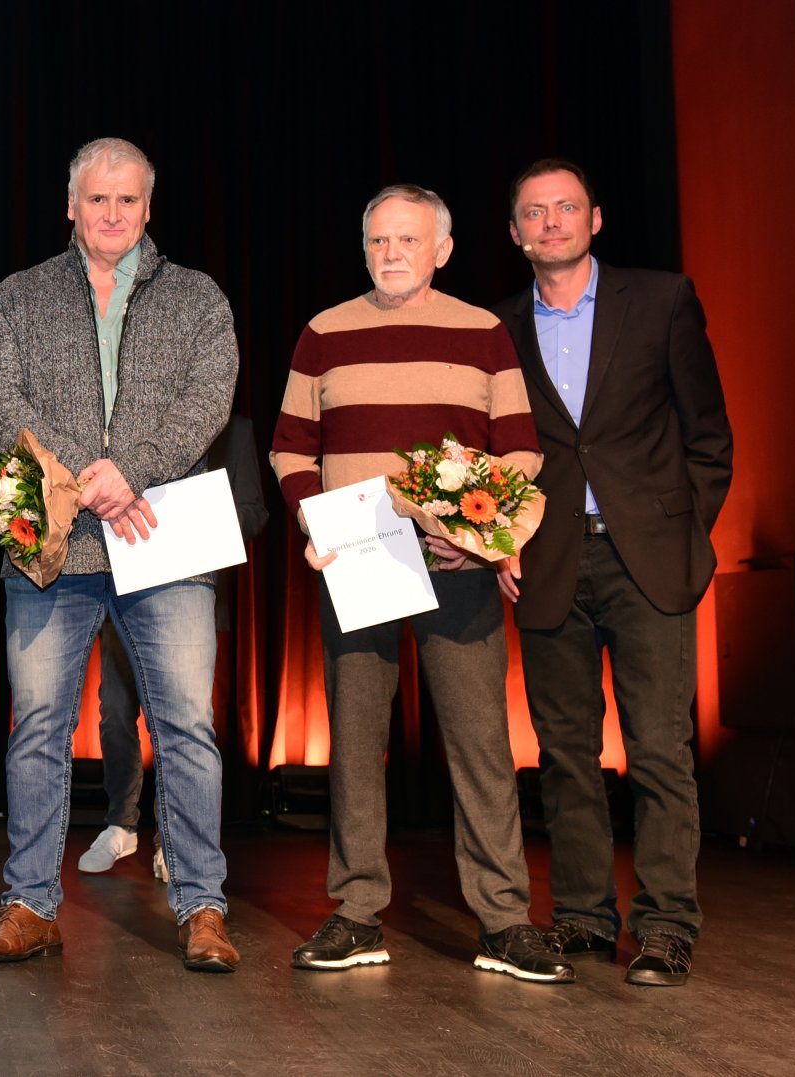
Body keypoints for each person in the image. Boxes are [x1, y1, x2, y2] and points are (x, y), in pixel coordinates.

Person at [269, 184, 573, 983]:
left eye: (407, 240)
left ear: (442, 249)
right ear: (363, 246)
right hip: (360, 559)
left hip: (457, 564)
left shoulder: (483, 333)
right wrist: (315, 527)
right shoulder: (323, 333)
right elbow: (291, 452)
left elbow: (519, 452)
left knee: (480, 744)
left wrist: (487, 535)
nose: (391, 253)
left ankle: (504, 921)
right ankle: (357, 911)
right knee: (355, 745)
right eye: (378, 241)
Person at [0, 137, 240, 970]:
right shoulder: (18, 296)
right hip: (55, 543)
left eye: (127, 200)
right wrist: (80, 476)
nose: (112, 213)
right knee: (39, 729)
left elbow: (210, 396)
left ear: (147, 208)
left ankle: (202, 908)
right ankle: (29, 905)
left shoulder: (197, 297)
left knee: (186, 730)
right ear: (71, 207)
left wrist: (135, 471)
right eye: (96, 199)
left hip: (165, 537)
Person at [493, 159, 732, 987]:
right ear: (515, 232)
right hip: (550, 562)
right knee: (564, 753)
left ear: (595, 218)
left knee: (660, 750)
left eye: (566, 208)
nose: (551, 222)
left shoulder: (662, 299)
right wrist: (497, 544)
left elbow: (709, 433)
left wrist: (686, 536)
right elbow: (491, 458)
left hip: (648, 560)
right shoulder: (499, 327)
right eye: (534, 212)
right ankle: (586, 920)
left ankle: (666, 926)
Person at [78, 413, 269, 876]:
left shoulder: (236, 431)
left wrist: (197, 517)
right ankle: (121, 824)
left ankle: (173, 836)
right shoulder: (135, 422)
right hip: (125, 586)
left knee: (182, 722)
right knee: (115, 710)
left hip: (185, 588)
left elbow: (254, 510)